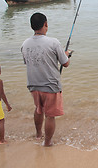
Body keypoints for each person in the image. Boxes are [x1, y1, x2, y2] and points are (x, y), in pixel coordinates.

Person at [21, 12, 71, 147]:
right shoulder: (53, 42)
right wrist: (66, 54)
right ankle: (47, 142)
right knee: (50, 115)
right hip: (50, 86)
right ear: (46, 24)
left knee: (38, 109)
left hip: (33, 85)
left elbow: (28, 62)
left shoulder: (25, 44)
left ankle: (38, 135)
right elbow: (65, 63)